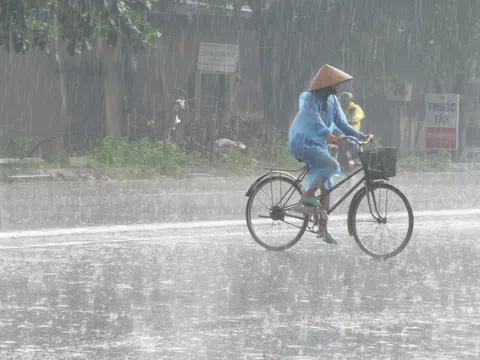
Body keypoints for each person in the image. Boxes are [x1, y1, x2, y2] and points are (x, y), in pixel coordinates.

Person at [288, 64, 372, 244]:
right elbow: (315, 121)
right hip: (302, 141)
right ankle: (307, 194)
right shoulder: (311, 99)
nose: (337, 88)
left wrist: (359, 135)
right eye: (334, 85)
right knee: (333, 166)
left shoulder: (333, 101)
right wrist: (331, 136)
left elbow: (342, 122)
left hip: (318, 144)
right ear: (326, 85)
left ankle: (323, 229)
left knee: (328, 186)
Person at [338, 92, 365, 168]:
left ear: (349, 101)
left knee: (353, 146)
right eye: (342, 101)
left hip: (352, 132)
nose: (343, 102)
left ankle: (356, 160)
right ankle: (342, 164)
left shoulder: (354, 108)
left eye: (345, 101)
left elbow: (359, 114)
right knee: (340, 149)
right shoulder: (339, 108)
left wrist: (353, 119)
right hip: (342, 132)